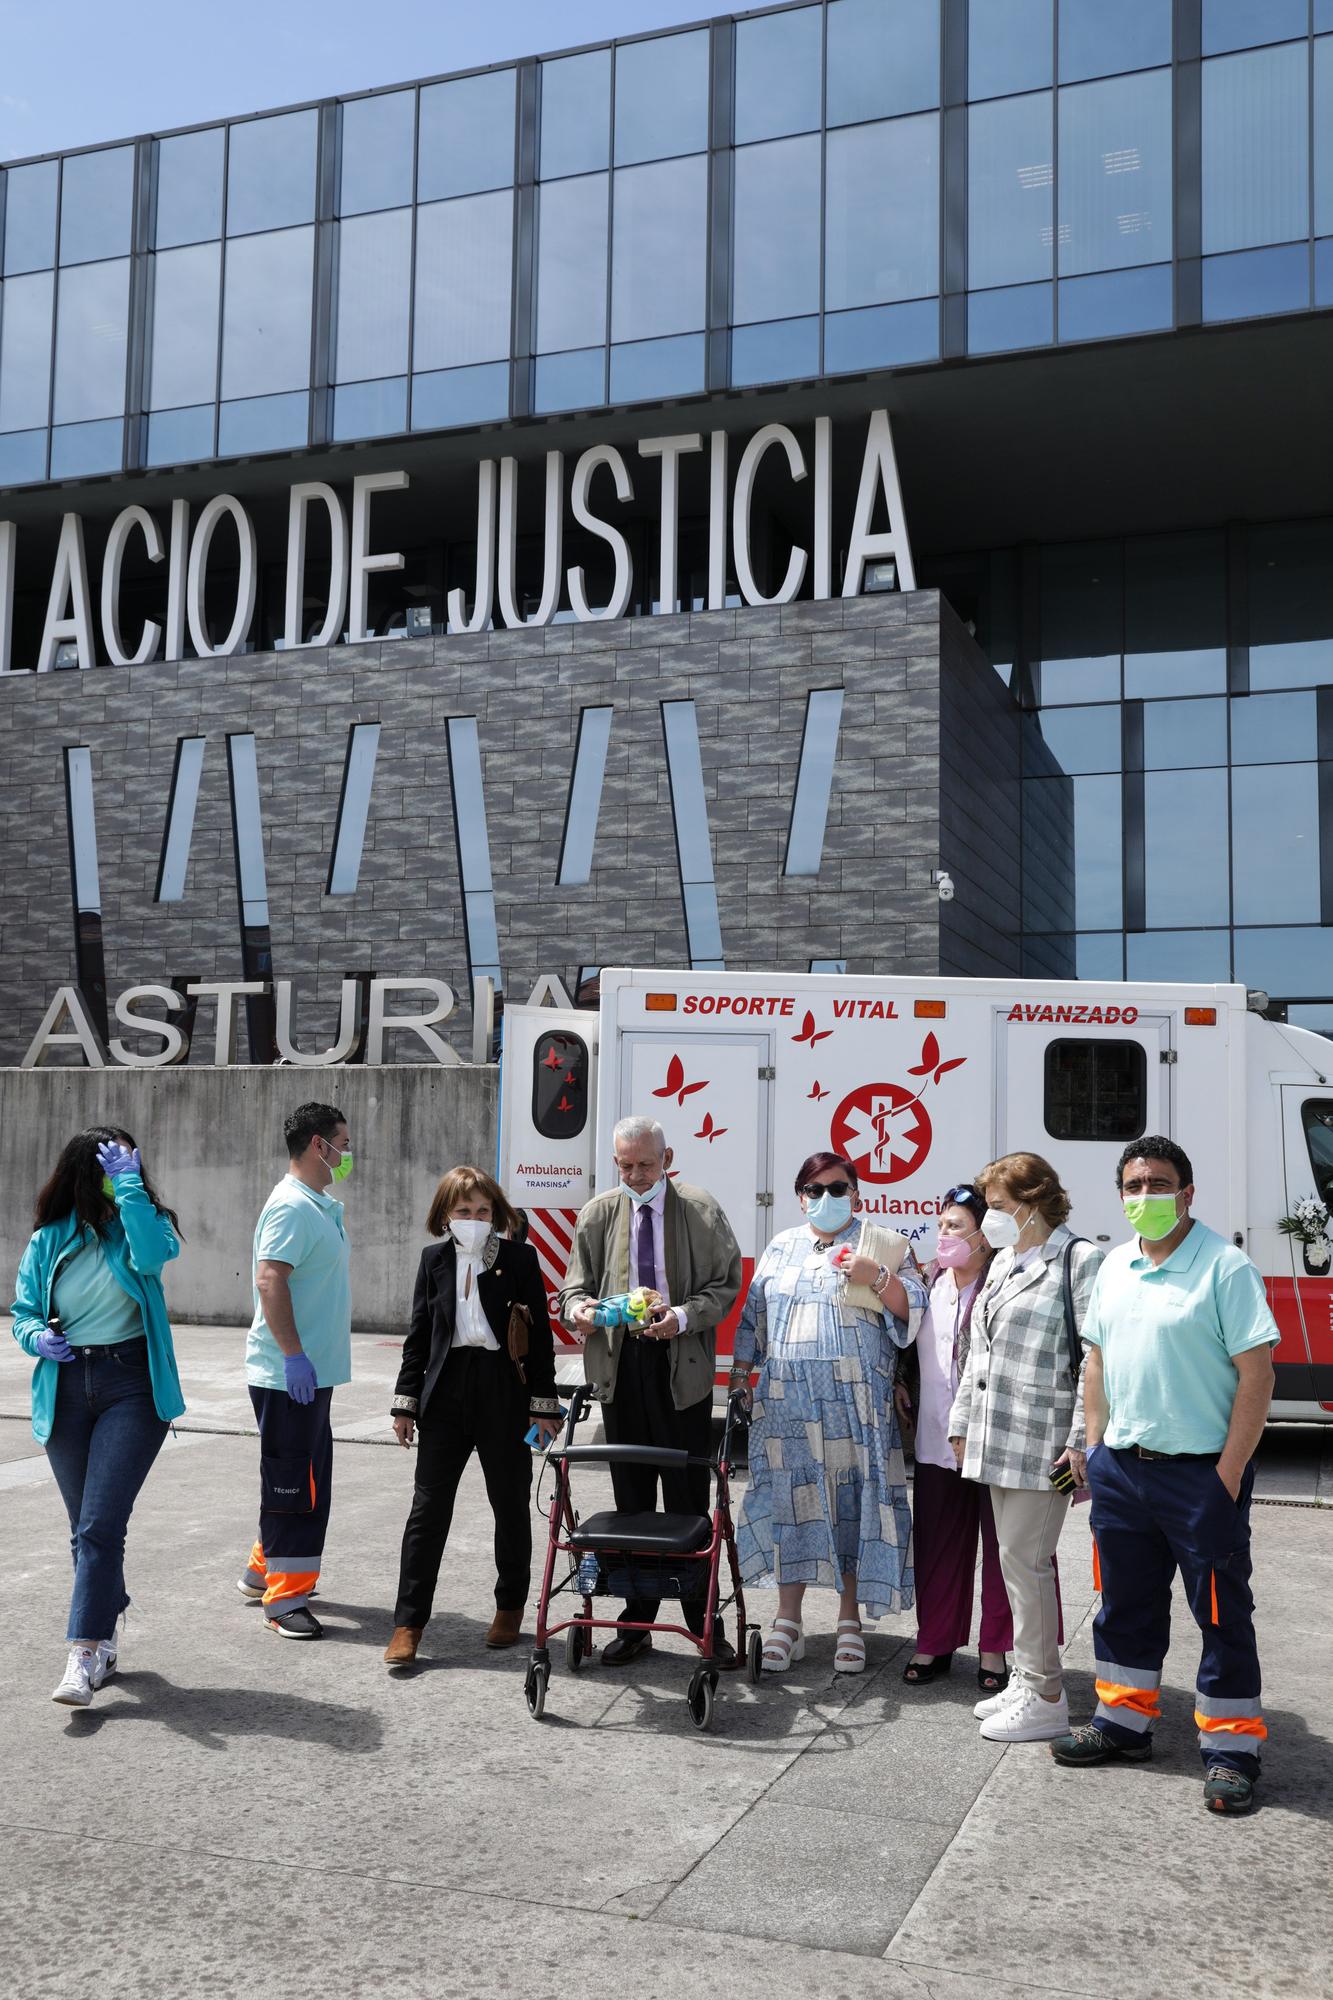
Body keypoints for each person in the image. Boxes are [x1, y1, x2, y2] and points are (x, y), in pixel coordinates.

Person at [1051, 1137, 1277, 1816]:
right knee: (1123, 1603)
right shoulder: (1114, 1267)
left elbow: (1256, 1376)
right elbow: (1095, 1362)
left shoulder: (1225, 1267)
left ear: (1187, 1193)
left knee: (1220, 1613)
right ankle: (1122, 1722)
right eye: (1133, 1185)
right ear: (1119, 1195)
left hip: (1200, 1476)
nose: (1144, 1196)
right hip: (1122, 1471)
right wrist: (1096, 1449)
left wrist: (1227, 1475)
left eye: (1158, 1184)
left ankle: (1231, 1749)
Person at [728, 1152, 925, 1673]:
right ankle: (787, 1621)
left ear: (855, 1193)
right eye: (814, 1190)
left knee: (852, 1505)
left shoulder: (884, 1244)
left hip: (855, 1407)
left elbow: (915, 1310)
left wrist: (876, 1276)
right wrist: (741, 1375)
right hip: (786, 1404)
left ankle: (848, 1621)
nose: (826, 1198)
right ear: (800, 1197)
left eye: (837, 1188)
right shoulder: (781, 1246)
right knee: (791, 1504)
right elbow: (752, 1317)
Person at [556, 1115, 742, 1665]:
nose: (636, 1175)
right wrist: (578, 1310)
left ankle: (703, 1621)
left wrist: (681, 1316)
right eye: (625, 1166)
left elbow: (725, 1286)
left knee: (687, 1499)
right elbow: (572, 1288)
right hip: (620, 1366)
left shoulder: (700, 1210)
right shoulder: (597, 1214)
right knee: (631, 1501)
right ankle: (636, 1622)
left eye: (645, 1164)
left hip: (680, 1365)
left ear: (668, 1159)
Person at [10, 1127, 184, 1707]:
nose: (120, 1176)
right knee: (86, 1529)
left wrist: (131, 1190)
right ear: (83, 1175)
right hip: (64, 1387)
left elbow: (152, 1258)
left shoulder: (145, 1223)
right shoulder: (49, 1238)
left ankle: (83, 1654)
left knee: (98, 1527)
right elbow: (23, 1312)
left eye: (127, 1165)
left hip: (131, 1383)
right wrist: (37, 1337)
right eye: (109, 1169)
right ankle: (105, 1636)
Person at [948, 1152, 1102, 1743]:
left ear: (1032, 1202)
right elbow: (978, 1352)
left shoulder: (1078, 1260)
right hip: (997, 1438)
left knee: (1027, 1561)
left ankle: (1046, 1695)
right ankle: (1026, 1674)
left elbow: (1094, 1359)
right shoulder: (1007, 1260)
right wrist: (962, 1422)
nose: (989, 1216)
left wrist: (1080, 1441)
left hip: (1048, 1446)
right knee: (1012, 1562)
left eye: (997, 1205)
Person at [383, 1167, 563, 1668]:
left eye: (484, 1211)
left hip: (504, 1389)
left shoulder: (519, 1259)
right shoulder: (433, 1260)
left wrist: (544, 1406)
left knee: (509, 1503)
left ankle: (509, 1607)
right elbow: (420, 1337)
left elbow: (540, 1339)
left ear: (496, 1214)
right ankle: (408, 1623)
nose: (475, 1218)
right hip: (445, 1392)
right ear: (445, 1214)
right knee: (427, 1510)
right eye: (464, 1211)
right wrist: (405, 1403)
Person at [236, 1102, 353, 1640]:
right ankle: (285, 1600)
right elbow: (269, 1280)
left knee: (297, 1474)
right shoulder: (290, 1207)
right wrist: (292, 1355)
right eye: (342, 1145)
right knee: (296, 1485)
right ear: (317, 1146)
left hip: (309, 1373)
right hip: (290, 1376)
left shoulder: (315, 1204)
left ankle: (262, 1571)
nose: (347, 1154)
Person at [897, 1183, 1012, 1694]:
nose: (944, 1234)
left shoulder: (1003, 1283)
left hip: (991, 1437)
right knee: (937, 1541)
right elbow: (904, 1340)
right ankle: (935, 1640)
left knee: (1003, 1543)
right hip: (935, 1436)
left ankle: (995, 1648)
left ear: (984, 1236)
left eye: (956, 1226)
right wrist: (901, 1380)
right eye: (942, 1225)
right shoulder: (928, 1280)